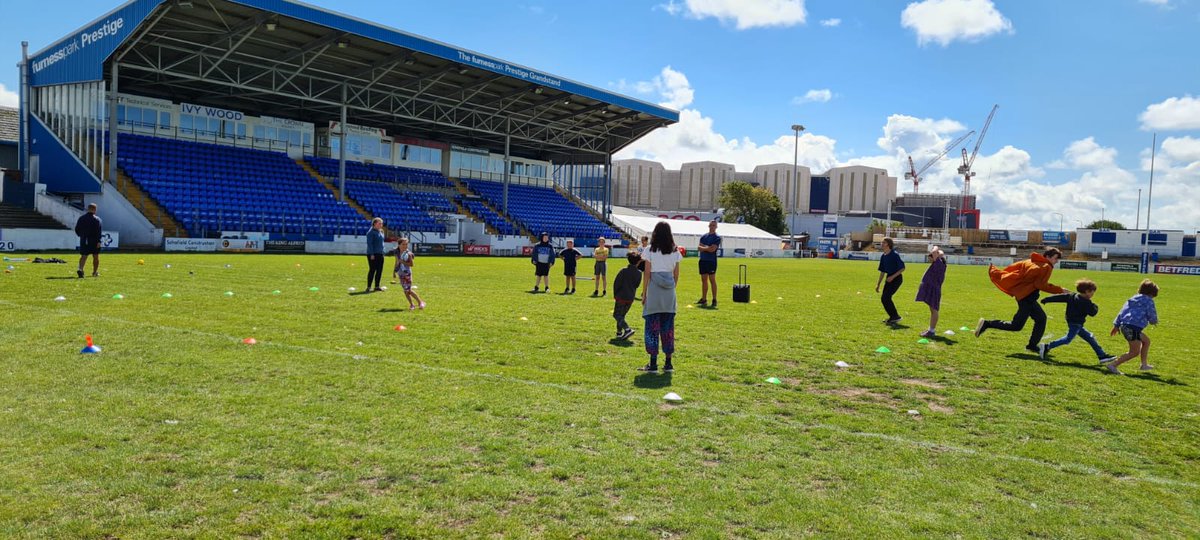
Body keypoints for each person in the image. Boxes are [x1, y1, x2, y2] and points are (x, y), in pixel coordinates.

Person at [975, 248, 1068, 353]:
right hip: (1027, 297)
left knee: (1041, 318)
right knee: (1017, 326)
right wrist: (1060, 290)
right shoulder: (1046, 266)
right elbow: (1040, 285)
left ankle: (1032, 345)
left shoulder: (1030, 261)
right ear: (1047, 257)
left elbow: (1013, 268)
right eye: (1055, 258)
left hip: (1024, 296)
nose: (1056, 261)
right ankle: (987, 324)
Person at [638, 221, 682, 373]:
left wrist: (644, 293)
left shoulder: (650, 250)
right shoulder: (675, 251)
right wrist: (671, 288)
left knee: (652, 328)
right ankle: (668, 363)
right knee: (668, 328)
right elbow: (676, 274)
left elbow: (647, 273)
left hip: (654, 293)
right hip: (669, 293)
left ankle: (653, 363)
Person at [1038, 278, 1115, 363]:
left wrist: (1046, 299)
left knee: (1090, 338)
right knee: (1068, 339)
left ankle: (1102, 356)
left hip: (1073, 321)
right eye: (1092, 291)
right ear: (1086, 291)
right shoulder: (1086, 302)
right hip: (1076, 323)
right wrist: (1095, 306)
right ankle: (1046, 346)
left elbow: (1059, 297)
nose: (1093, 293)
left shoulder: (1072, 296)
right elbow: (1093, 313)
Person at [1105, 279, 1160, 375]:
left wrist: (1116, 325)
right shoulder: (1149, 300)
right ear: (1152, 293)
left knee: (1146, 341)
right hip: (1133, 328)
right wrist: (1154, 321)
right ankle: (1113, 365)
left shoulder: (1132, 298)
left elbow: (1122, 312)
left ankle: (1144, 365)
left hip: (1126, 326)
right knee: (1134, 352)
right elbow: (1151, 313)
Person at [915, 245, 947, 337]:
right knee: (933, 310)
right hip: (932, 288)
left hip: (933, 289)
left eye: (930, 257)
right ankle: (931, 330)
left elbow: (935, 252)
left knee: (934, 310)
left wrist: (935, 247)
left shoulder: (938, 263)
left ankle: (931, 331)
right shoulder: (939, 263)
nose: (929, 258)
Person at [612, 252, 643, 340]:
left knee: (616, 315)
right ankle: (619, 332)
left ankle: (627, 329)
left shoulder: (623, 271)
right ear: (638, 262)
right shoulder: (639, 273)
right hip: (630, 297)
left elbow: (616, 283)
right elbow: (637, 285)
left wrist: (615, 294)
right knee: (622, 315)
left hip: (621, 296)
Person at [875, 238, 906, 324]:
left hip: (896, 278)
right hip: (889, 278)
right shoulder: (883, 256)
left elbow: (902, 268)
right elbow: (882, 271)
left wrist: (892, 277)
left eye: (883, 242)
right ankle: (894, 317)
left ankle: (895, 316)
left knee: (886, 297)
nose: (882, 244)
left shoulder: (894, 255)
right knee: (884, 298)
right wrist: (878, 284)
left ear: (888, 244)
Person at [697, 219, 722, 307]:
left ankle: (714, 299)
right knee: (704, 280)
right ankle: (704, 299)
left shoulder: (717, 238)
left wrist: (705, 248)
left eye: (714, 225)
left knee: (712, 280)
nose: (712, 227)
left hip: (711, 261)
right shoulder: (704, 236)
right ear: (709, 226)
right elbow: (699, 248)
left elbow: (713, 249)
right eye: (711, 225)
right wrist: (707, 248)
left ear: (716, 227)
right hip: (703, 260)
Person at [395, 237, 425, 310]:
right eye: (403, 244)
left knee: (408, 290)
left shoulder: (408, 254)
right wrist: (394, 271)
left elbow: (411, 264)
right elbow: (396, 262)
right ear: (399, 245)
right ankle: (412, 304)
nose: (405, 246)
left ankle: (420, 302)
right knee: (405, 290)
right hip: (400, 273)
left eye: (406, 244)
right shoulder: (397, 253)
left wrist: (403, 262)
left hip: (407, 273)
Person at [74, 203, 103, 278]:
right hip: (94, 241)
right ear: (95, 210)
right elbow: (99, 232)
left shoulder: (81, 218)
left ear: (88, 209)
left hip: (84, 240)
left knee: (84, 256)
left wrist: (81, 236)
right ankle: (94, 272)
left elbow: (77, 229)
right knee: (95, 256)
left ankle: (80, 269)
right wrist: (99, 241)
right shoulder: (97, 220)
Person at [365, 217, 386, 292]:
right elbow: (370, 244)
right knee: (372, 270)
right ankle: (368, 286)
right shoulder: (370, 233)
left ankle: (377, 286)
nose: (381, 225)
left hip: (380, 254)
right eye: (379, 223)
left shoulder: (381, 232)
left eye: (381, 223)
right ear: (374, 224)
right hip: (373, 254)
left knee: (379, 270)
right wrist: (371, 254)